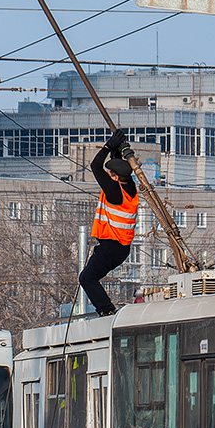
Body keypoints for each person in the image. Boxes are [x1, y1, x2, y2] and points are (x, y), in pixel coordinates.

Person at [78, 128, 139, 317]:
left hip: (112, 247)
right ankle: (106, 309)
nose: (107, 174)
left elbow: (96, 166)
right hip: (118, 247)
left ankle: (106, 310)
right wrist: (117, 150)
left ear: (115, 177)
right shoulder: (129, 186)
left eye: (110, 173)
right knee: (90, 276)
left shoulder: (114, 192)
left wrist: (108, 146)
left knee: (87, 278)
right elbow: (116, 168)